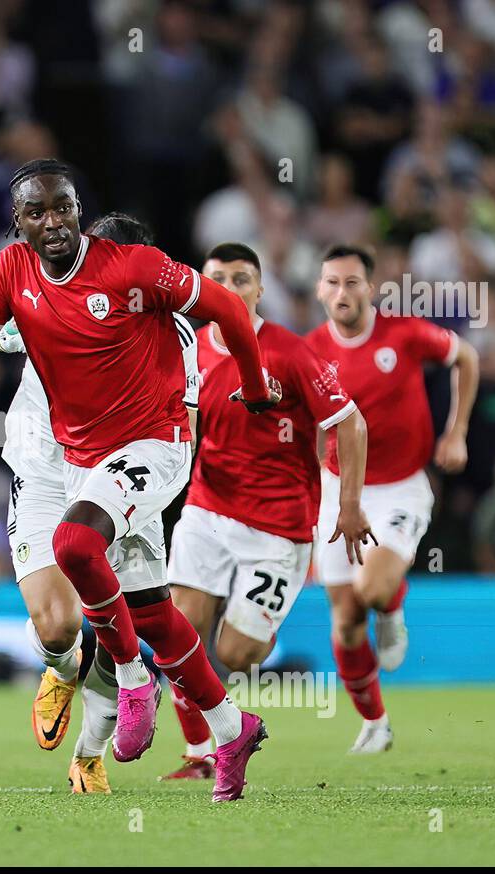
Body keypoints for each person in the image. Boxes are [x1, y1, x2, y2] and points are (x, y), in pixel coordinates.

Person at [0, 159, 281, 802]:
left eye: (63, 209)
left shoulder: (159, 314)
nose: (55, 223)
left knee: (76, 549)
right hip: (69, 463)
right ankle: (232, 730)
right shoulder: (20, 276)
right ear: (20, 222)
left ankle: (126, 687)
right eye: (37, 213)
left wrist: (257, 393)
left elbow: (218, 327)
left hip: (149, 454)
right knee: (152, 614)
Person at [0, 211, 202, 794]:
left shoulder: (176, 335)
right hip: (43, 471)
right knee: (58, 628)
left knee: (125, 626)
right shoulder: (50, 298)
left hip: (122, 478)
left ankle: (87, 754)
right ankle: (59, 666)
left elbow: (181, 426)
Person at [162, 242, 371, 780]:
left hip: (278, 527)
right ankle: (202, 753)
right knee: (179, 635)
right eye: (217, 279)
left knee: (237, 651)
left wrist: (348, 505)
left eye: (241, 279)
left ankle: (261, 625)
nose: (229, 288)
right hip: (207, 510)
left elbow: (350, 423)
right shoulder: (186, 349)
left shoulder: (292, 352)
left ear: (259, 289)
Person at [306, 244, 479, 753]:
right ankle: (376, 722)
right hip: (340, 490)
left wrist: (457, 432)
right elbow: (309, 423)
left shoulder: (403, 333)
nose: (342, 292)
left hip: (401, 485)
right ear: (319, 289)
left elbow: (466, 358)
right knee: (345, 623)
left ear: (371, 287)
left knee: (374, 588)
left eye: (352, 281)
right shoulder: (310, 349)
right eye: (332, 282)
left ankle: (392, 606)